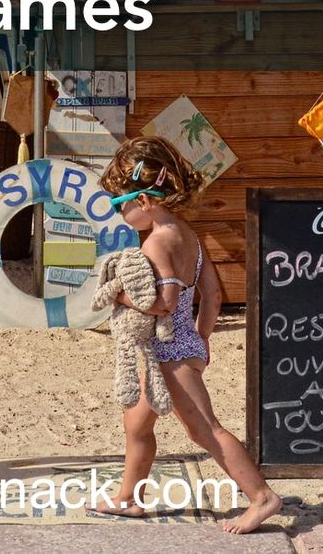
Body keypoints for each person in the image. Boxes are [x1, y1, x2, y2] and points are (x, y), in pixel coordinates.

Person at [94, 135, 281, 534]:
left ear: (144, 201)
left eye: (119, 205)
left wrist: (119, 294)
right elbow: (211, 295)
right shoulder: (190, 236)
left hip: (169, 352)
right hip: (182, 346)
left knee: (204, 428)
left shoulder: (158, 242)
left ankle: (262, 497)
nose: (119, 213)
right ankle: (128, 498)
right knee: (137, 425)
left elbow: (162, 302)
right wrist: (203, 339)